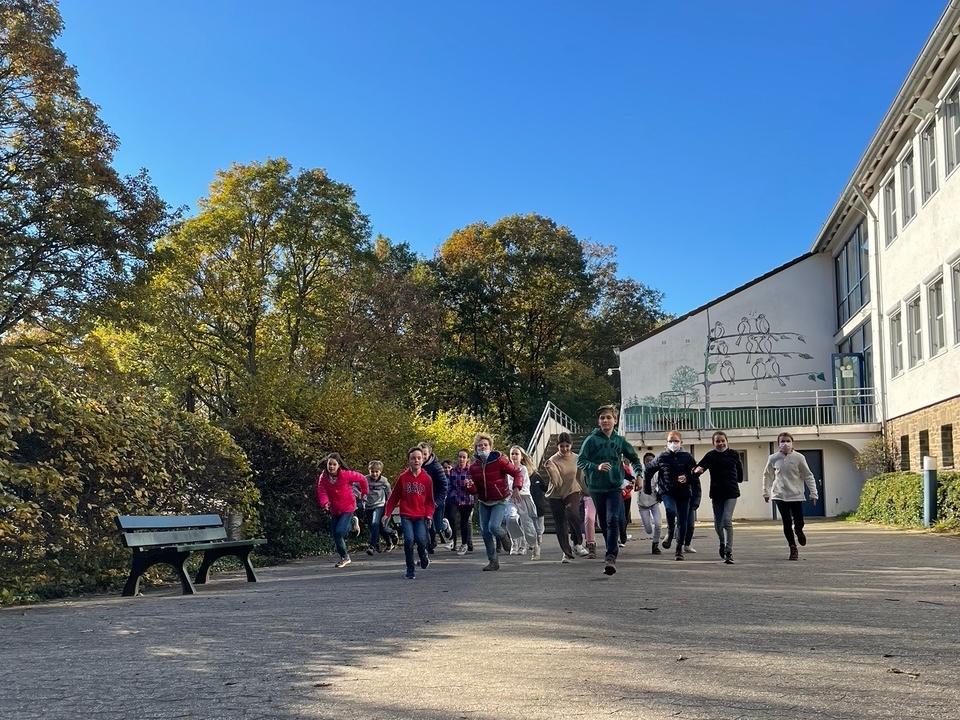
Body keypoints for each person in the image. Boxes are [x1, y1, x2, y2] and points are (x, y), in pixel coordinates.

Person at [577, 405, 643, 576]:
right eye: (602, 418)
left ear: (614, 420)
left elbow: (634, 458)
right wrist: (596, 466)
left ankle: (611, 556)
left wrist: (639, 475)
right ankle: (610, 550)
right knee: (605, 522)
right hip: (596, 488)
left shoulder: (619, 441)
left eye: (608, 417)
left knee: (613, 518)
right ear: (598, 421)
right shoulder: (591, 440)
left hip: (614, 486)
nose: (605, 420)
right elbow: (581, 461)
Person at [464, 433, 523, 571]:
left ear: (490, 447)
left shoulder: (500, 460)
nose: (482, 447)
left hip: (500, 499)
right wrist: (469, 486)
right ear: (476, 448)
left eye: (485, 445)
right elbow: (473, 490)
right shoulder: (473, 467)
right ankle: (493, 561)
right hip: (484, 501)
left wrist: (516, 488)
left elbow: (517, 472)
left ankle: (504, 536)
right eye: (480, 445)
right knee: (485, 532)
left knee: (493, 527)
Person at [762, 432, 817, 561]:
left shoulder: (799, 458)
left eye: (788, 441)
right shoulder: (773, 458)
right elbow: (767, 475)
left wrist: (813, 493)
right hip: (779, 495)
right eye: (782, 441)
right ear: (778, 444)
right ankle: (793, 547)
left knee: (799, 521)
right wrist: (766, 492)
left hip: (796, 494)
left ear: (792, 443)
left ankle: (799, 530)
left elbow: (808, 475)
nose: (785, 443)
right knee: (786, 522)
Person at [383, 446, 435, 579]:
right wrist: (387, 513)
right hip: (406, 514)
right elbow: (394, 497)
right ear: (409, 461)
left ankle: (424, 557)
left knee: (422, 540)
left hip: (421, 515)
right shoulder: (403, 478)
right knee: (409, 540)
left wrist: (429, 515)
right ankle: (410, 569)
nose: (416, 460)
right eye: (413, 458)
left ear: (423, 460)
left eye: (419, 458)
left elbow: (429, 501)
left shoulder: (427, 479)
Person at [644, 431, 697, 561]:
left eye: (676, 441)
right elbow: (648, 470)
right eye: (670, 441)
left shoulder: (687, 457)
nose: (673, 443)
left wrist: (688, 478)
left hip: (684, 493)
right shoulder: (662, 457)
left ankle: (679, 549)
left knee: (683, 521)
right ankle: (670, 530)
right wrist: (647, 489)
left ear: (681, 442)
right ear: (666, 443)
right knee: (670, 510)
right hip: (667, 491)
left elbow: (696, 474)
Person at [693, 431, 743, 564]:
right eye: (717, 441)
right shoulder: (711, 456)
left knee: (727, 520)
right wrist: (696, 472)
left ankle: (728, 551)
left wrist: (736, 478)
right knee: (718, 525)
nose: (720, 443)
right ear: (713, 443)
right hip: (716, 493)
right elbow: (699, 468)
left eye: (722, 441)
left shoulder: (734, 454)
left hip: (731, 492)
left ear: (727, 441)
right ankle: (722, 541)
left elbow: (740, 476)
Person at [315, 453, 369, 568]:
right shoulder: (323, 477)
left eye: (334, 464)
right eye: (330, 464)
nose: (331, 467)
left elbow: (362, 479)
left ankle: (352, 522)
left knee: (340, 531)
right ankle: (345, 557)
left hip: (348, 506)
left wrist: (364, 492)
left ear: (339, 465)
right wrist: (324, 502)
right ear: (327, 464)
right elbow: (321, 490)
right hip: (335, 508)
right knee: (336, 534)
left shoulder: (345, 475)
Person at [542, 432, 588, 563]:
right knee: (560, 523)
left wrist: (585, 491)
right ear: (557, 446)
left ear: (571, 445)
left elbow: (580, 476)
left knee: (573, 513)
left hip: (572, 490)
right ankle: (566, 553)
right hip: (555, 494)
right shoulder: (551, 460)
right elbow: (557, 482)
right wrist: (550, 469)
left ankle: (578, 543)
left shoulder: (577, 458)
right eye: (561, 446)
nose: (564, 449)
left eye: (567, 446)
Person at [508, 445, 542, 560]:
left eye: (516, 454)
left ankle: (534, 545)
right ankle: (515, 543)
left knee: (527, 525)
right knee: (511, 519)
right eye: (512, 453)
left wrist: (516, 489)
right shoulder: (507, 469)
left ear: (521, 457)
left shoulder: (523, 469)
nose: (514, 456)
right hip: (510, 499)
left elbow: (524, 484)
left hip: (523, 498)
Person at [418, 441, 451, 554]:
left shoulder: (436, 467)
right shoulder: (417, 466)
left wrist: (437, 501)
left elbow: (444, 485)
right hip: (424, 501)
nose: (422, 456)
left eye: (425, 454)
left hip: (437, 500)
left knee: (437, 526)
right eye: (420, 454)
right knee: (427, 523)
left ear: (429, 454)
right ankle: (430, 543)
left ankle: (445, 525)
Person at [446, 449, 475, 555]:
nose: (461, 459)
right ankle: (452, 541)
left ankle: (464, 544)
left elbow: (475, 486)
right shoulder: (453, 471)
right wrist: (452, 495)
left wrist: (470, 485)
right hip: (456, 499)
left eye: (464, 457)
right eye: (460, 457)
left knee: (464, 522)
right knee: (451, 518)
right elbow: (450, 485)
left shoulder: (471, 471)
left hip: (467, 500)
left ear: (467, 459)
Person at [364, 460, 396, 555]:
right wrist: (361, 495)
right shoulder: (365, 479)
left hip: (379, 505)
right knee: (377, 527)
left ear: (380, 471)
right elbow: (355, 486)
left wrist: (389, 505)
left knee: (375, 524)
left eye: (376, 472)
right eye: (372, 471)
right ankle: (390, 540)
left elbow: (389, 493)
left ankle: (372, 546)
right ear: (369, 471)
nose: (374, 474)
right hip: (368, 505)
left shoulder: (384, 481)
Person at [635, 452, 662, 555]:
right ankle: (650, 532)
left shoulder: (658, 472)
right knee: (648, 529)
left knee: (658, 525)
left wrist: (660, 493)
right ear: (644, 462)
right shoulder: (639, 472)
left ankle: (655, 545)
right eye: (647, 461)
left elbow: (661, 484)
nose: (650, 462)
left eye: (652, 460)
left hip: (654, 502)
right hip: (642, 504)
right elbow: (633, 481)